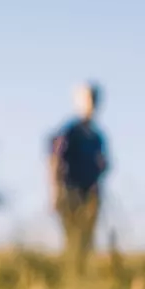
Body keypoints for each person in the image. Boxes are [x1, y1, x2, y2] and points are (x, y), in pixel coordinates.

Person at [48, 81, 109, 267]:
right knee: (73, 237)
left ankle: (83, 275)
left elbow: (102, 165)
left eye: (95, 99)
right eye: (89, 99)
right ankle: (71, 272)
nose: (92, 104)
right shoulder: (69, 132)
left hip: (91, 195)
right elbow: (55, 161)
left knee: (88, 238)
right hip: (71, 193)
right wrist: (56, 191)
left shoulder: (98, 136)